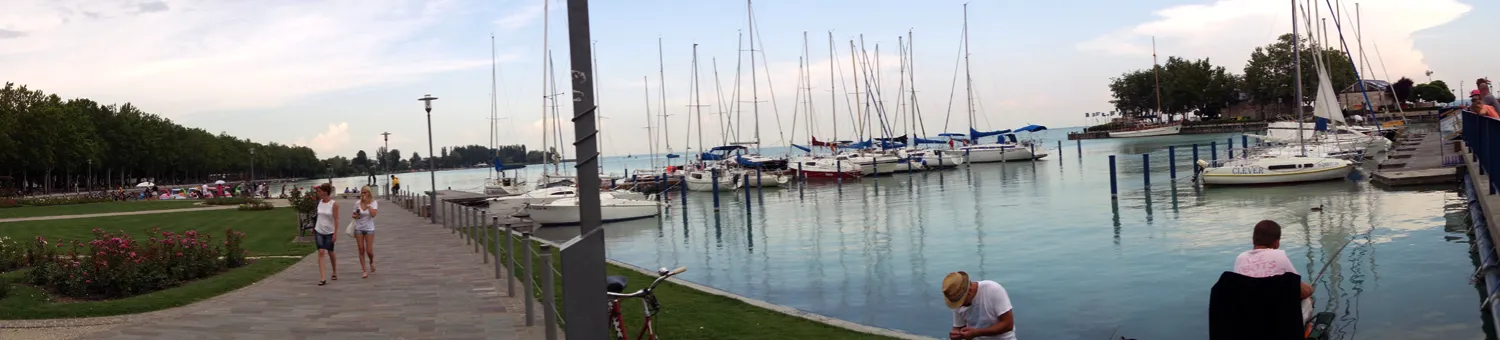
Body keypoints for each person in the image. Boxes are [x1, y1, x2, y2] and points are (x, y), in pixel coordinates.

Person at [1233, 220, 1313, 321]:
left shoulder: (1240, 258)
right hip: (1277, 323)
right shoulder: (1279, 256)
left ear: (1253, 240)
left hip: (1247, 320)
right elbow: (1302, 291)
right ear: (1276, 243)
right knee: (1307, 300)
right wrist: (1310, 289)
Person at [941, 271, 1016, 340]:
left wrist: (977, 333)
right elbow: (958, 327)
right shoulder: (955, 297)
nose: (960, 306)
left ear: (969, 291)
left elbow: (1008, 324)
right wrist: (955, 334)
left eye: (961, 302)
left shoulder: (993, 290)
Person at [313, 183, 340, 285]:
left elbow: (336, 219)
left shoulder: (334, 204)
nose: (318, 193)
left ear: (325, 192)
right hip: (319, 230)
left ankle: (334, 271)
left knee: (330, 251)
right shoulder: (319, 202)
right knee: (321, 252)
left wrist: (335, 233)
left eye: (319, 191)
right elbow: (318, 216)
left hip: (329, 231)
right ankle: (323, 277)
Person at [352, 186, 379, 278]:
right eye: (362, 193)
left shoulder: (373, 203)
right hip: (358, 228)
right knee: (361, 249)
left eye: (365, 193)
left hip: (369, 228)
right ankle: (364, 270)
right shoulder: (357, 203)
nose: (363, 194)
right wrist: (356, 215)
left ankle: (371, 261)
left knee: (369, 251)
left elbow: (373, 215)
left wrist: (368, 205)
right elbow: (354, 214)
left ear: (368, 193)